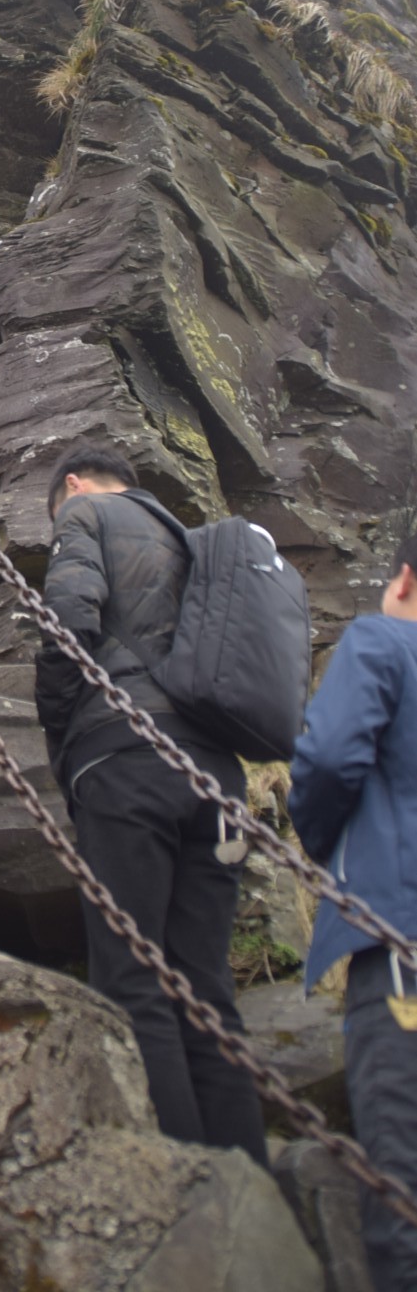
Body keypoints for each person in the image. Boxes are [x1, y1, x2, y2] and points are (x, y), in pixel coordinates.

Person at [35, 443, 268, 1164]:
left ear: (72, 485)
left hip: (128, 757)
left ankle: (182, 1192)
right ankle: (246, 1186)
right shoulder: (198, 541)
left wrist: (59, 727)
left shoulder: (84, 514)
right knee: (204, 987)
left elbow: (68, 615)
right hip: (217, 779)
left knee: (133, 978)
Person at [289, 538, 417, 1291]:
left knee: (399, 1183)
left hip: (401, 940)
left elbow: (331, 754)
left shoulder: (384, 638)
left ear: (402, 580)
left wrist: (316, 842)